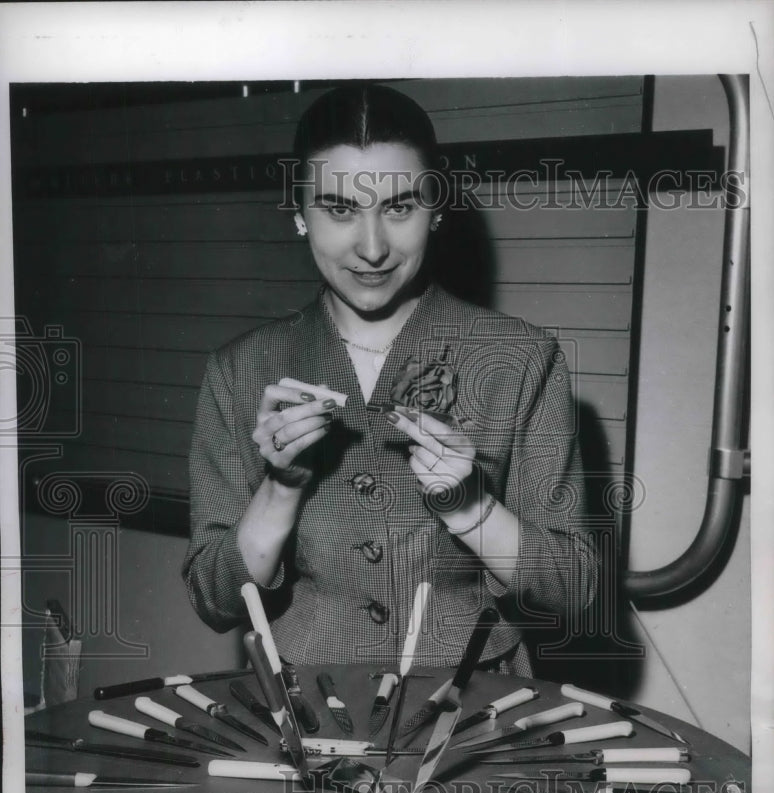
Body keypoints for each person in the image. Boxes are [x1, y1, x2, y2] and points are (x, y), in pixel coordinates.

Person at [183, 83, 597, 676]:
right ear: (300, 214)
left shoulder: (522, 360)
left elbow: (572, 590)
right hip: (303, 705)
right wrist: (280, 489)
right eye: (339, 208)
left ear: (437, 209)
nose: (373, 248)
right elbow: (216, 601)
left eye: (399, 207)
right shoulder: (242, 369)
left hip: (468, 711)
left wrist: (470, 508)